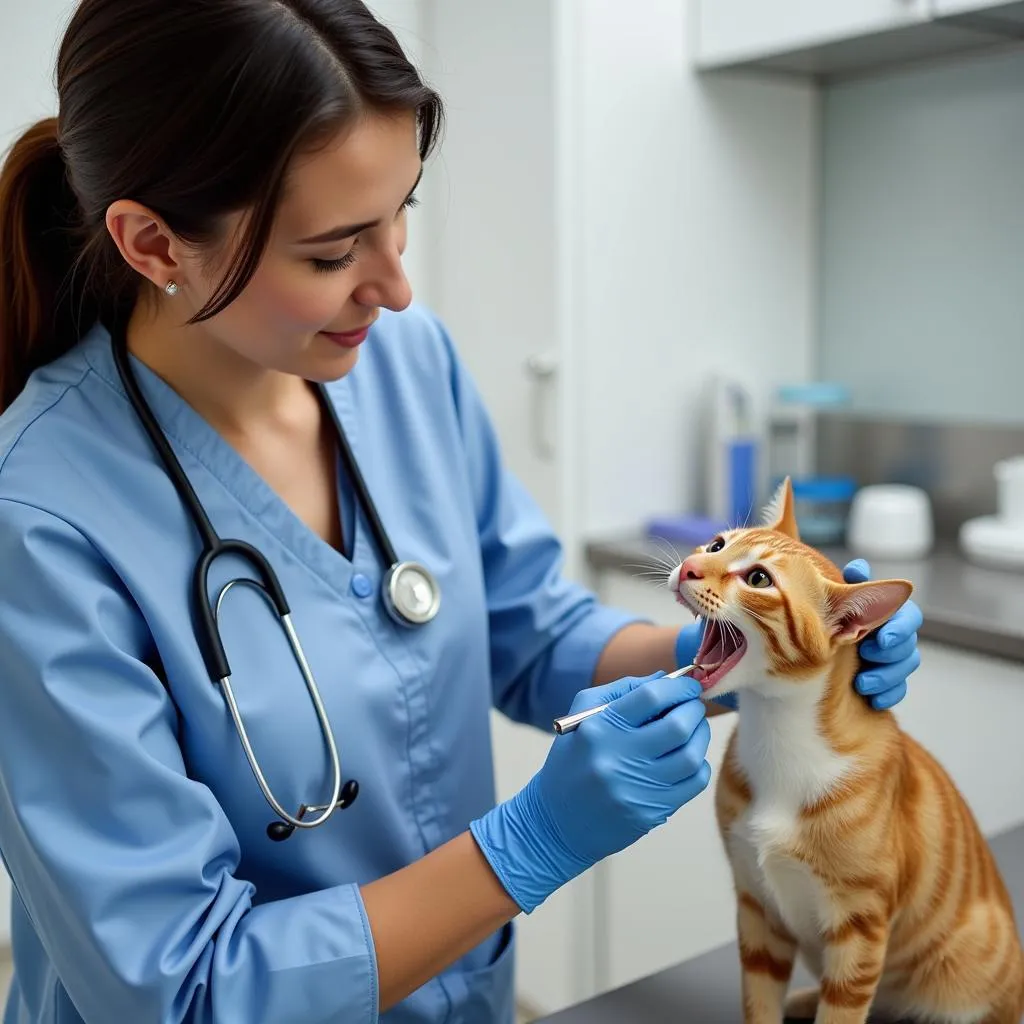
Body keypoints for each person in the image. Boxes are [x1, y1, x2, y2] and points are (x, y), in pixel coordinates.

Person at [0, 2, 922, 1022]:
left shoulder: (403, 362)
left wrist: (741, 644)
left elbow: (526, 625)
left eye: (401, 216)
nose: (394, 289)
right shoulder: (40, 516)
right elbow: (174, 985)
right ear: (153, 244)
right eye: (332, 252)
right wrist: (525, 846)